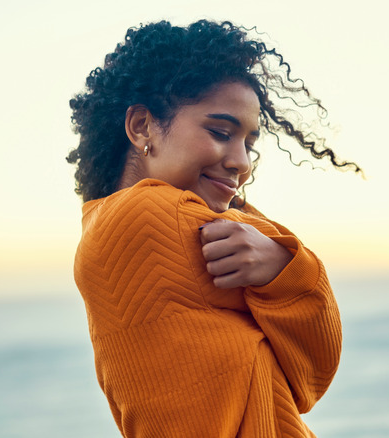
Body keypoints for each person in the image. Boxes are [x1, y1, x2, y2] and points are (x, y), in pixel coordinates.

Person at [66, 19, 359, 437]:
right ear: (141, 127)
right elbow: (316, 361)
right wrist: (289, 266)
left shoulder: (115, 222)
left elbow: (306, 379)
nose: (241, 162)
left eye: (249, 143)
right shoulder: (140, 216)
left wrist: (279, 260)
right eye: (221, 132)